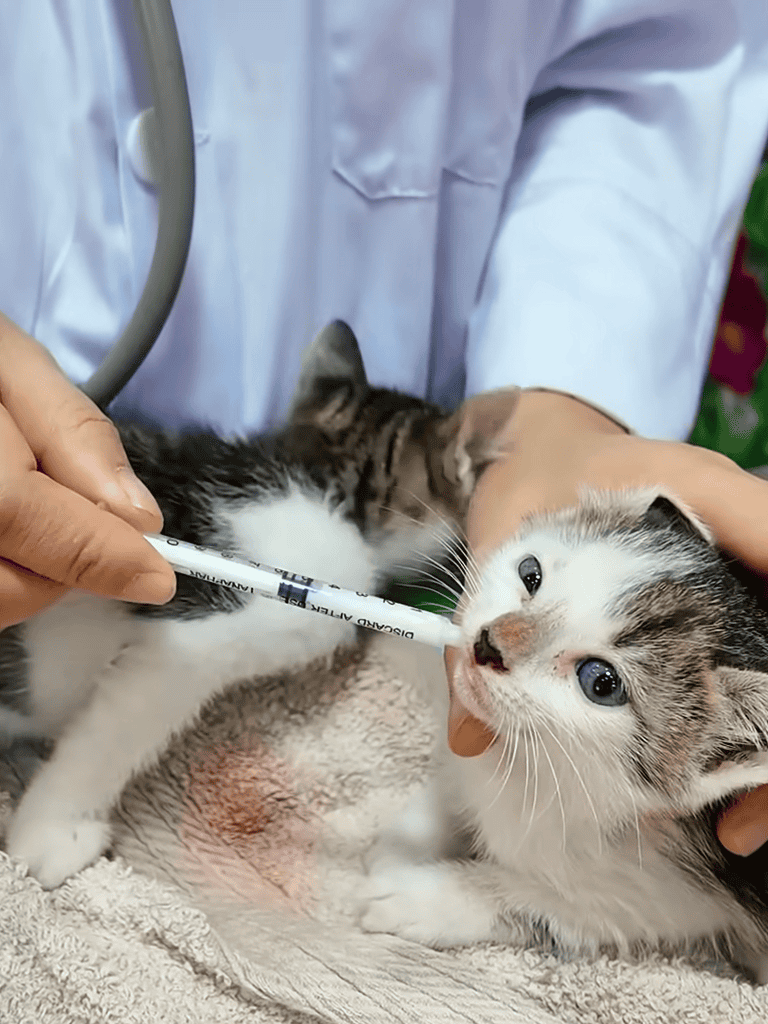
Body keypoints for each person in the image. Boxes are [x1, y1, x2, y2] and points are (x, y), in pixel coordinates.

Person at [1, 2, 768, 858]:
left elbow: (648, 63)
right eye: (530, 574)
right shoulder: (315, 572)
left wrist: (571, 396)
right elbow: (163, 672)